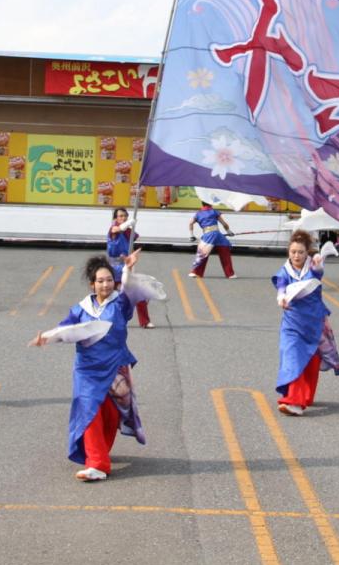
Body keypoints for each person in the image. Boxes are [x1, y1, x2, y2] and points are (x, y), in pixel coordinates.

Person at [31, 251, 161, 482]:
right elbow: (64, 329)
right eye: (100, 281)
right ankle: (98, 464)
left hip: (114, 366)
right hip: (86, 369)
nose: (105, 284)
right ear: (92, 284)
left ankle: (99, 453)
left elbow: (130, 288)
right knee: (88, 410)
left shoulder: (121, 303)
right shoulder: (80, 308)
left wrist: (129, 269)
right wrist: (46, 338)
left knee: (110, 414)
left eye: (109, 280)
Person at [273, 230, 339, 416]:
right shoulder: (284, 271)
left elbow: (318, 273)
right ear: (288, 252)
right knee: (292, 357)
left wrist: (319, 264)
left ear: (307, 253)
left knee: (311, 360)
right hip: (292, 323)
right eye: (293, 252)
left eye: (300, 252)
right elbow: (281, 287)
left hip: (314, 322)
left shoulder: (313, 266)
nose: (296, 256)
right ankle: (294, 402)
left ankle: (306, 396)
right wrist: (281, 298)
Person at [107, 207, 151, 329]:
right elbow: (117, 229)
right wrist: (128, 223)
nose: (123, 218)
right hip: (114, 268)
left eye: (125, 216)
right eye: (120, 216)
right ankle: (107, 319)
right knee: (111, 296)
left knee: (138, 293)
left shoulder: (128, 232)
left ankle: (145, 321)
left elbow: (132, 241)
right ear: (115, 218)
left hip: (127, 266)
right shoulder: (113, 229)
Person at [188, 202, 236, 278]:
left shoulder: (198, 213)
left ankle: (195, 272)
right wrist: (229, 232)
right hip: (218, 235)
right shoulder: (214, 211)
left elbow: (190, 223)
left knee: (203, 253)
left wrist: (192, 235)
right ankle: (230, 274)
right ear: (210, 203)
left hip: (208, 235)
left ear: (202, 204)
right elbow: (224, 224)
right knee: (225, 249)